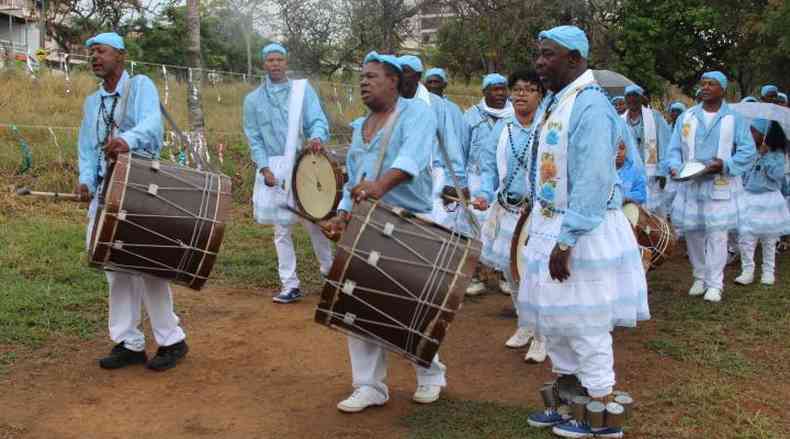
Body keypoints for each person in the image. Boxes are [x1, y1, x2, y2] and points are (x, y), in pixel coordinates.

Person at [519, 26, 649, 438]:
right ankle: (570, 404)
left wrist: (567, 238)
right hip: (550, 224)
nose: (540, 62)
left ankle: (602, 415)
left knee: (585, 323)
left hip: (581, 230)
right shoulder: (560, 101)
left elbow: (593, 179)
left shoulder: (590, 106)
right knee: (556, 320)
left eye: (548, 55)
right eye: (539, 54)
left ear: (574, 59)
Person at [321, 52, 446, 412]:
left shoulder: (417, 113)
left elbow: (413, 159)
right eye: (362, 77)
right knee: (357, 303)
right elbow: (355, 181)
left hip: (410, 222)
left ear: (394, 81)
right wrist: (342, 216)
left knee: (410, 307)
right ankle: (369, 385)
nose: (363, 82)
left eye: (372, 76)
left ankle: (430, 374)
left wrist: (380, 185)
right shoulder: (361, 126)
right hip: (367, 223)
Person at [76, 32, 188, 371]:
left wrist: (127, 138)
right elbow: (85, 146)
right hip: (105, 191)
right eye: (91, 52)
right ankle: (129, 342)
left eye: (102, 51)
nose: (95, 57)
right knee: (114, 267)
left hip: (141, 186)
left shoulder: (140, 86)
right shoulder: (92, 102)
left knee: (149, 264)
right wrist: (84, 179)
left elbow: (152, 124)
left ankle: (172, 341)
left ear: (120, 56)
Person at [243, 43, 333, 304]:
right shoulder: (253, 100)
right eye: (270, 60)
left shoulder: (301, 91)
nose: (275, 64)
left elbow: (317, 119)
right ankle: (289, 284)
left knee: (315, 221)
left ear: (286, 62)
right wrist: (264, 167)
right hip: (273, 167)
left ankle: (330, 275)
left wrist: (316, 136)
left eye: (279, 59)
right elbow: (254, 137)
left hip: (303, 164)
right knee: (281, 229)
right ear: (264, 64)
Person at [472, 69, 547, 362]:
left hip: (538, 214)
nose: (521, 95)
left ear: (539, 94)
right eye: (517, 89)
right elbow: (489, 165)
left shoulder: (547, 126)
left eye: (529, 89)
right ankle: (525, 325)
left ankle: (542, 335)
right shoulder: (502, 127)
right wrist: (484, 194)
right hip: (507, 210)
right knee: (510, 271)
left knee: (535, 275)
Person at [666, 71, 756, 303]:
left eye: (711, 84)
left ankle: (715, 283)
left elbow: (748, 151)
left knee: (717, 234)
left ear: (722, 89)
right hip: (691, 185)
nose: (705, 87)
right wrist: (675, 167)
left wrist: (725, 164)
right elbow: (674, 149)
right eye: (703, 83)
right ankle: (700, 276)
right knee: (693, 232)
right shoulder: (686, 117)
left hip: (720, 184)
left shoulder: (734, 119)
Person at [397, 57, 469, 234]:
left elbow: (450, 144)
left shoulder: (436, 105)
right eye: (398, 72)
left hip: (432, 179)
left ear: (418, 76)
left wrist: (457, 182)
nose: (400, 76)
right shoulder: (390, 102)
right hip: (396, 179)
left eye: (405, 71)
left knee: (427, 236)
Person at [464, 73, 514, 295]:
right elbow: (462, 148)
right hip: (477, 177)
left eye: (503, 88)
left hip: (506, 178)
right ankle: (475, 275)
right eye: (495, 89)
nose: (501, 93)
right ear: (484, 92)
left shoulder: (517, 114)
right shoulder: (470, 116)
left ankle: (505, 273)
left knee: (506, 226)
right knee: (475, 226)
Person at [735, 120, 790, 285]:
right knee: (746, 236)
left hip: (769, 199)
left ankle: (768, 272)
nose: (751, 135)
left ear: (765, 134)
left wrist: (765, 156)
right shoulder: (751, 152)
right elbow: (744, 174)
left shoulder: (778, 154)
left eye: (754, 131)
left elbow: (777, 176)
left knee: (769, 238)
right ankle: (747, 271)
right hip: (749, 198)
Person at [622, 84, 672, 215]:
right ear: (625, 99)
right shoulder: (620, 121)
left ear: (642, 98)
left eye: (635, 96)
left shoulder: (655, 118)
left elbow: (666, 144)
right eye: (629, 96)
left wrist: (662, 171)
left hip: (652, 174)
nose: (632, 99)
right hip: (630, 175)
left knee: (654, 214)